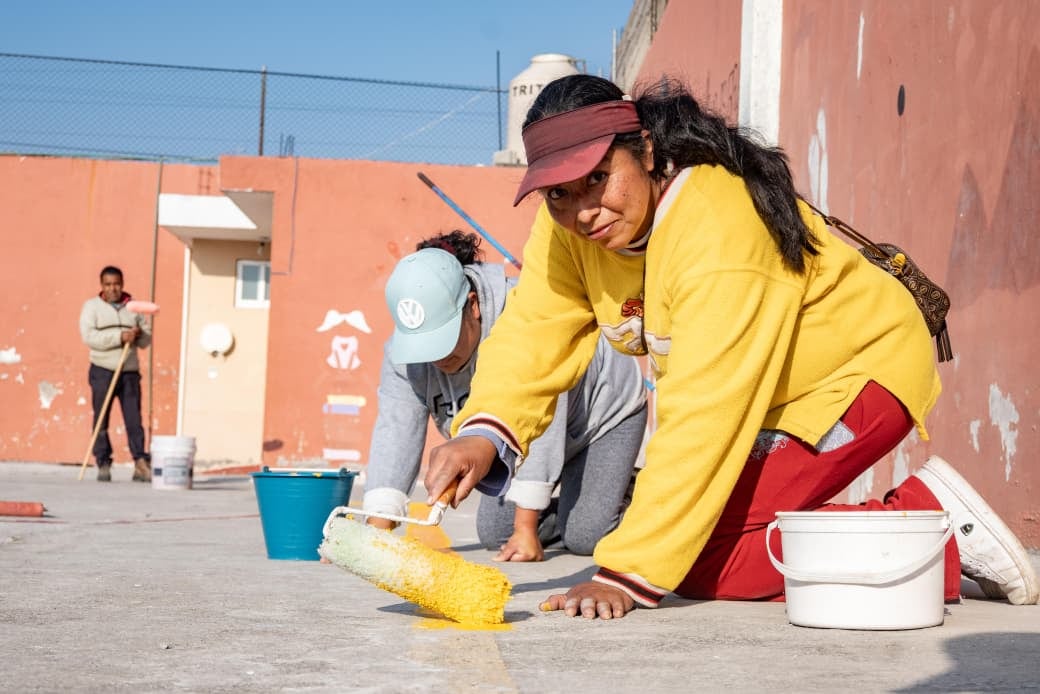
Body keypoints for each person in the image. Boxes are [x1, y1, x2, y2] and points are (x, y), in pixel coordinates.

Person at [423, 74, 1040, 617]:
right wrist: (483, 432)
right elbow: (535, 328)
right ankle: (921, 531)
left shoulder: (717, 226)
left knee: (696, 556)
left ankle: (937, 530)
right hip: (766, 395)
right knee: (692, 546)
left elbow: (704, 412)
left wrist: (627, 569)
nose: (584, 212)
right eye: (559, 193)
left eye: (598, 179)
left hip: (858, 377)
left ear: (644, 149)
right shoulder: (568, 234)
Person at [362, 230, 648, 561]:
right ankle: (573, 503)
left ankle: (627, 494)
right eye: (425, 344)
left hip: (602, 419)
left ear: (472, 306)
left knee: (586, 537)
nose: (437, 358)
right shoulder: (405, 353)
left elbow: (539, 408)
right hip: (518, 440)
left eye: (444, 338)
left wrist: (526, 529)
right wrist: (374, 536)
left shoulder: (519, 317)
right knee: (496, 534)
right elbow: (395, 431)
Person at [79, 265, 152, 482]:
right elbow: (89, 337)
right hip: (102, 369)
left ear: (123, 284)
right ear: (102, 285)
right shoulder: (91, 307)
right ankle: (102, 461)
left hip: (129, 372)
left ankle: (140, 461)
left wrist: (138, 336)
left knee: (133, 419)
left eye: (117, 284)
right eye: (108, 284)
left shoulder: (134, 307)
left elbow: (147, 339)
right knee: (101, 417)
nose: (113, 289)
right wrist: (120, 338)